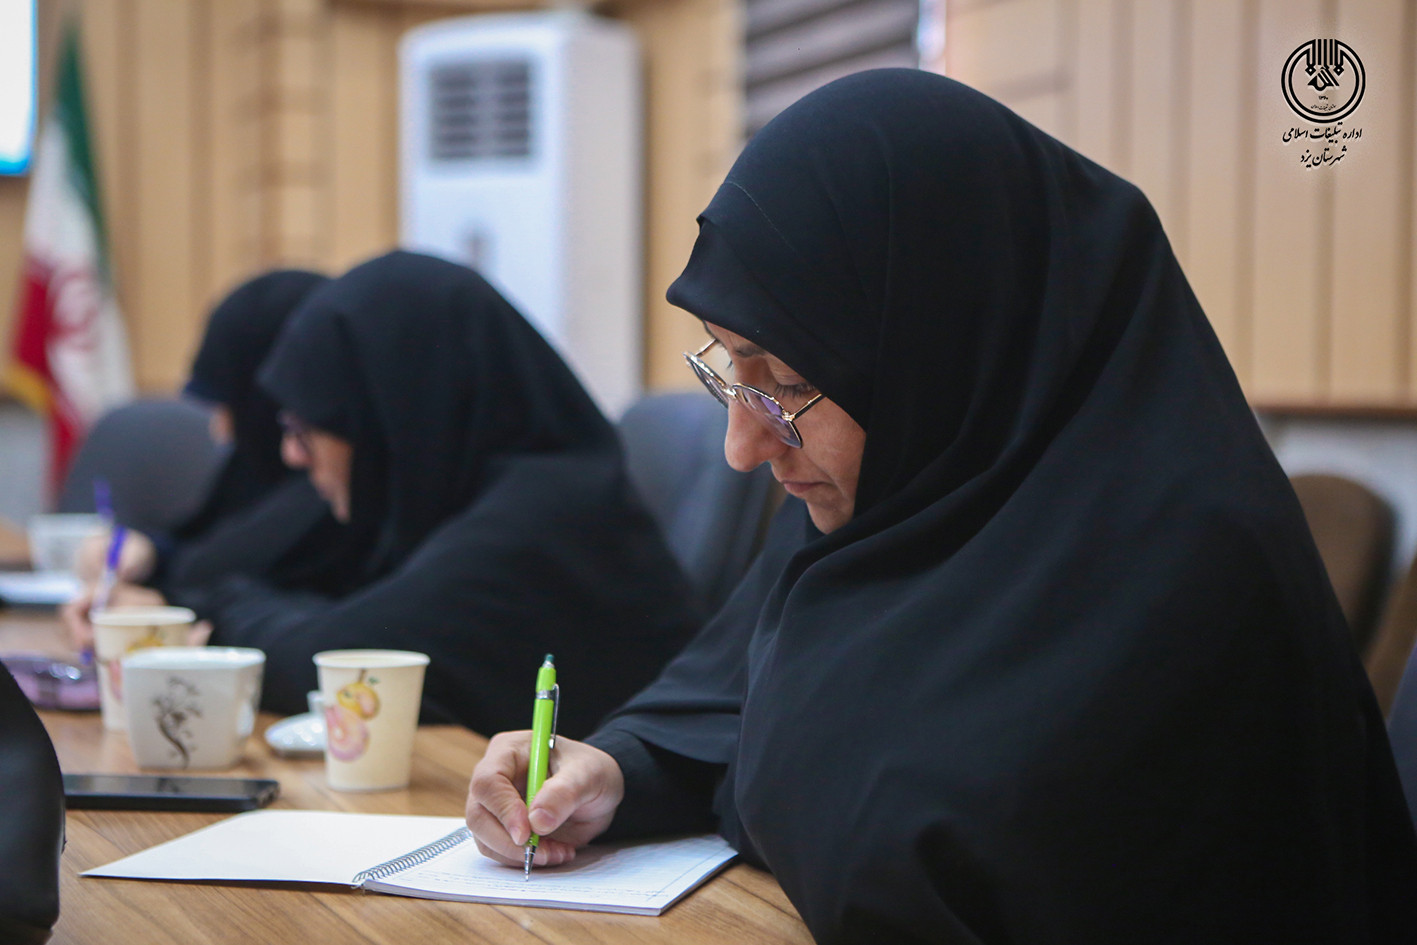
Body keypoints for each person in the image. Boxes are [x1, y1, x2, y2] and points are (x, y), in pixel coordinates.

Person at [465, 69, 1417, 943]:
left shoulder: (1190, 583)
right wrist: (618, 770)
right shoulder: (907, 494)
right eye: (727, 369)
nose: (742, 446)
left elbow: (909, 836)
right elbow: (737, 706)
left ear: (947, 343)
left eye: (786, 382)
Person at [167, 250, 703, 738]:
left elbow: (339, 662)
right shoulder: (466, 492)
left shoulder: (541, 519)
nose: (292, 455)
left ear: (392, 409)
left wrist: (220, 620)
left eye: (306, 427)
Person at [63, 270, 352, 644]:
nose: (219, 429)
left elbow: (222, 574)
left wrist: (171, 606)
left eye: (232, 405)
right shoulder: (259, 465)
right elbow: (208, 540)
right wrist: (148, 551)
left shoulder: (335, 487)